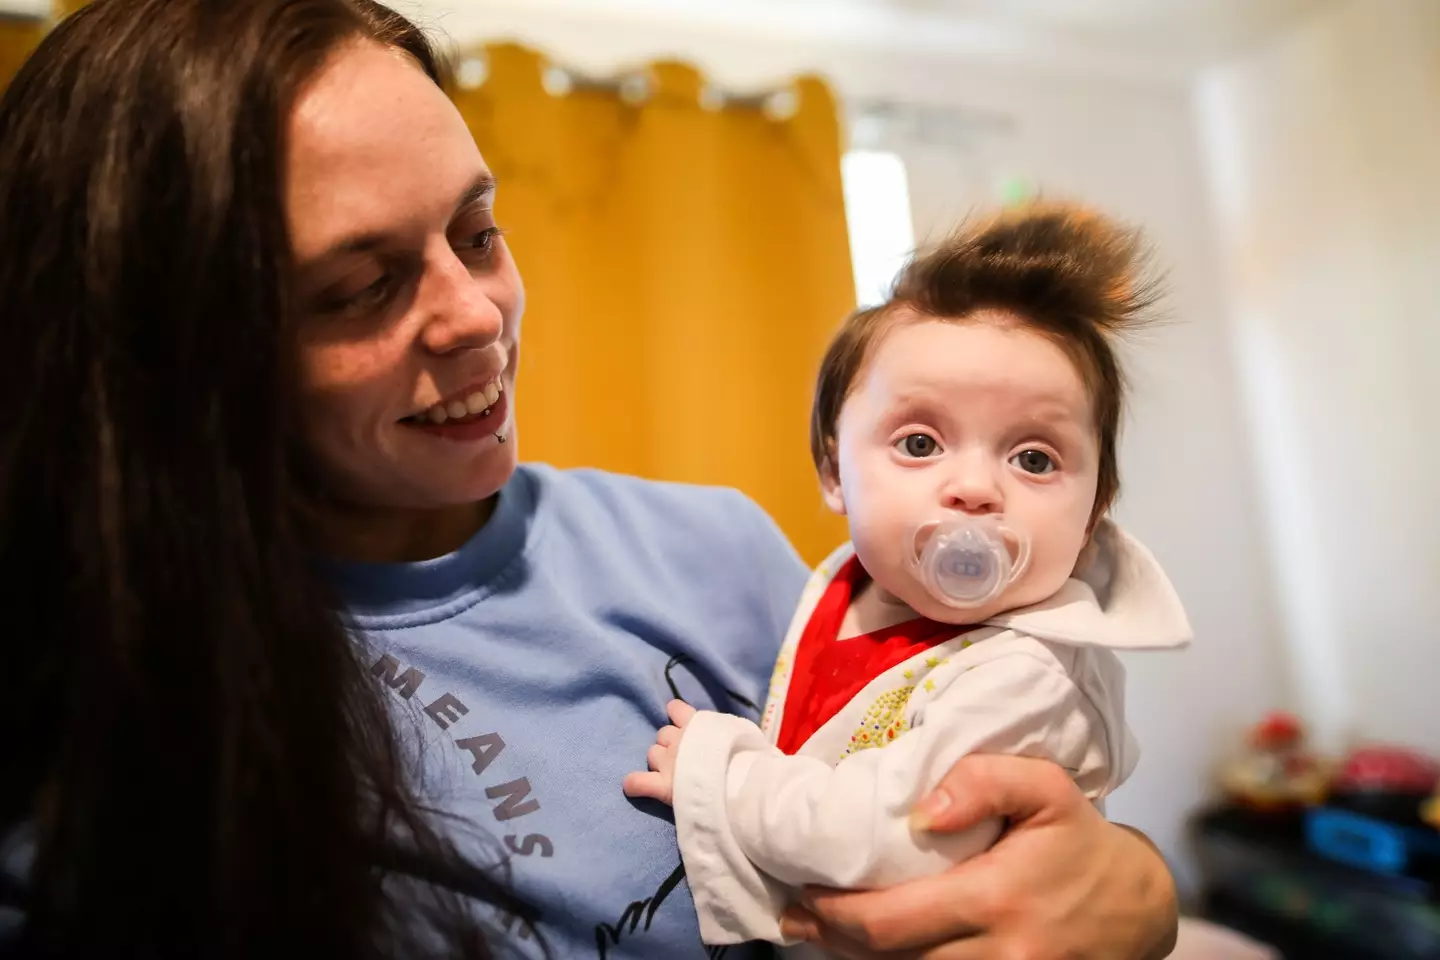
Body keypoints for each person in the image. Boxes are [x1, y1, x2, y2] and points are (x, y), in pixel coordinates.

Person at [0, 1, 1180, 957]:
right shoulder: (93, 722)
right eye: (360, 288)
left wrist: (1133, 886)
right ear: (168, 352)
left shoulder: (718, 555)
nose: (477, 316)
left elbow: (967, 810)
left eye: (477, 233)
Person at [623, 205, 1191, 948]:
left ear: (1093, 514)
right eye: (920, 443)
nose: (975, 487)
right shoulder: (849, 584)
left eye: (1034, 458)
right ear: (835, 471)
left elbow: (892, 839)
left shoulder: (1030, 676)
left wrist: (718, 772)